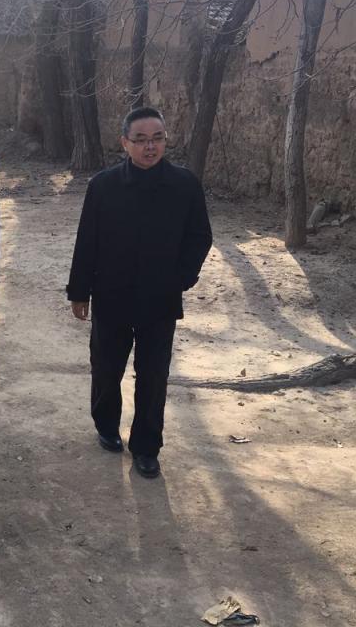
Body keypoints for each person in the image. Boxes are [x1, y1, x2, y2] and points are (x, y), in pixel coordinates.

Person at [66, 106, 212, 479]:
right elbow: (87, 242)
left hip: (159, 299)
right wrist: (79, 292)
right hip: (111, 295)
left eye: (157, 138)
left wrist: (180, 278)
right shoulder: (103, 186)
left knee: (153, 374)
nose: (150, 147)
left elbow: (199, 237)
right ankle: (106, 424)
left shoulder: (184, 185)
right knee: (106, 366)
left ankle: (147, 447)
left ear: (165, 140)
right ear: (125, 143)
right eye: (142, 140)